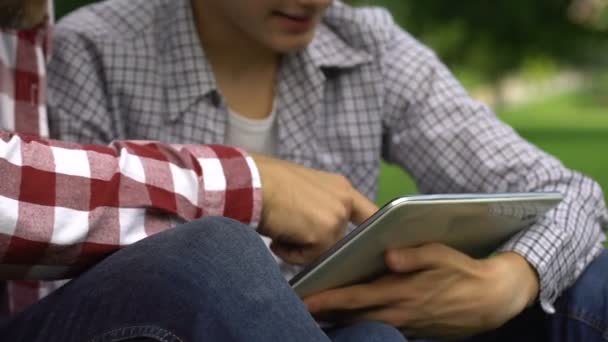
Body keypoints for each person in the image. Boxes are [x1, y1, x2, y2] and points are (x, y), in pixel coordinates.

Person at [45, 0, 608, 341]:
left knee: (591, 283)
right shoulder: (95, 49)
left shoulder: (368, 44)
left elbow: (571, 193)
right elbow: (63, 281)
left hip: (369, 320)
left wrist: (509, 281)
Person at [0, 0, 407, 341]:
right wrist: (246, 186)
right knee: (211, 256)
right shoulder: (93, 44)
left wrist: (473, 286)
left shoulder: (24, 22)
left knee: (375, 336)